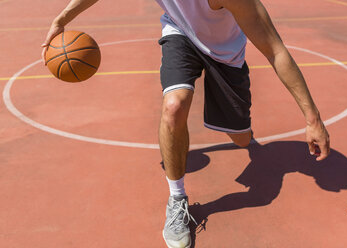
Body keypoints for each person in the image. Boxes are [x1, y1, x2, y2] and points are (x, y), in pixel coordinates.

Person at [42, 0, 331, 247]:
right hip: (180, 33)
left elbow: (275, 50)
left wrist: (313, 119)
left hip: (226, 54)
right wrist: (62, 18)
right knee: (174, 106)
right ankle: (177, 199)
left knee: (241, 139)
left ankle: (241, 133)